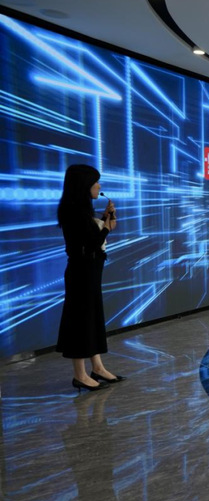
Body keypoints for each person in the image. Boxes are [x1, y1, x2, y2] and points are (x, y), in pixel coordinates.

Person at [56, 164, 125, 391]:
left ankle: (97, 367)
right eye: (95, 182)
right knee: (80, 320)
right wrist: (105, 227)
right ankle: (80, 375)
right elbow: (91, 243)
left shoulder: (82, 210)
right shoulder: (73, 211)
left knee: (92, 318)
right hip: (81, 272)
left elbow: (93, 237)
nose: (99, 186)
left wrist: (105, 219)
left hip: (91, 271)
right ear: (84, 185)